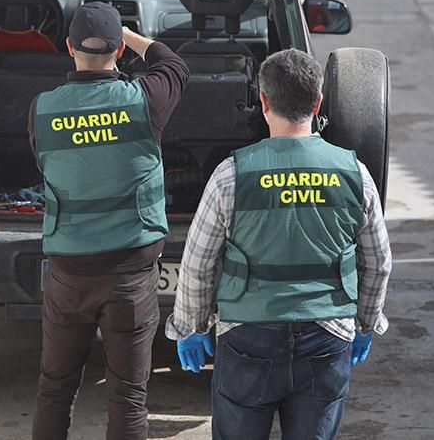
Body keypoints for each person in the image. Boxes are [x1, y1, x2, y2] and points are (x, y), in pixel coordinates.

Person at [166, 48, 392, 440]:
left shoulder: (230, 175)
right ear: (318, 102)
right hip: (328, 336)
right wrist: (366, 323)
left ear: (263, 101)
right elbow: (378, 261)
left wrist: (191, 326)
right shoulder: (354, 174)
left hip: (248, 337)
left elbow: (199, 262)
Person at [29, 1, 189, 440]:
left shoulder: (42, 109)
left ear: (68, 48)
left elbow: (45, 163)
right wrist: (132, 37)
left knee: (55, 390)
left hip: (67, 274)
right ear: (120, 51)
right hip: (131, 276)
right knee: (128, 396)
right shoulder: (144, 100)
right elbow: (172, 63)